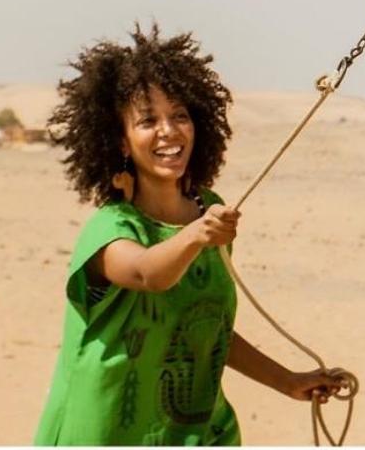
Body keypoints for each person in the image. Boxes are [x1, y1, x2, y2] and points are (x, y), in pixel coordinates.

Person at [34, 24, 346, 445]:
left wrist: (288, 382)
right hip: (106, 432)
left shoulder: (207, 209)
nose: (168, 130)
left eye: (179, 115)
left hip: (197, 432)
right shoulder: (111, 228)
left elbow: (205, 329)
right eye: (148, 120)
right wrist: (197, 236)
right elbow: (149, 274)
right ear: (121, 142)